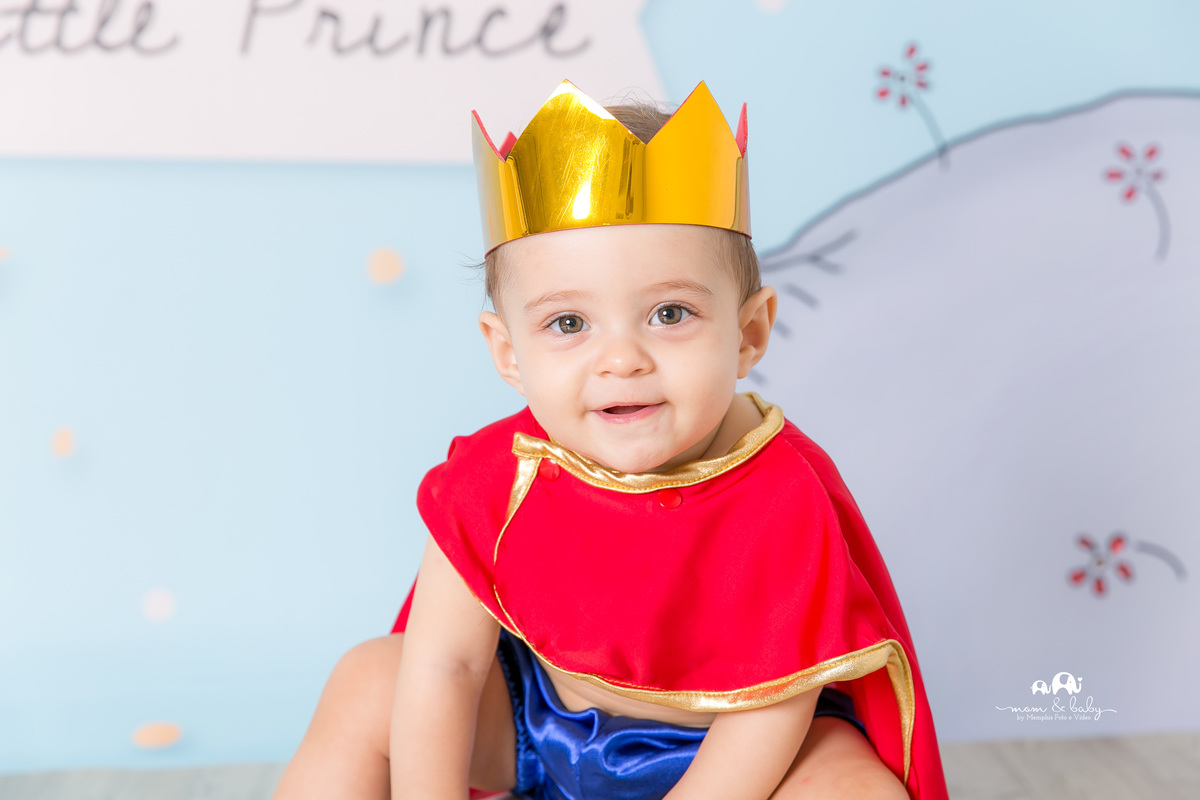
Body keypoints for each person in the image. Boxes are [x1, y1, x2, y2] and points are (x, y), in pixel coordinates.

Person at [273, 80, 949, 800]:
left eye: (669, 312)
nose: (622, 358)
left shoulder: (779, 495)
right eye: (569, 324)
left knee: (855, 790)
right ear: (507, 353)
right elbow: (447, 668)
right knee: (370, 678)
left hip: (733, 759)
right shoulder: (500, 477)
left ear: (748, 333)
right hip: (544, 730)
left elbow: (771, 708)